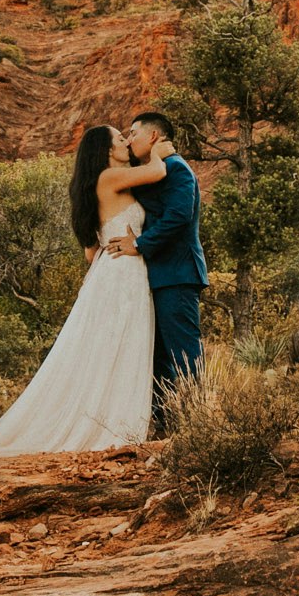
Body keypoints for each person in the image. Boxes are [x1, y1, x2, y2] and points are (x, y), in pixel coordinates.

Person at [0, 124, 167, 458]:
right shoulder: (109, 177)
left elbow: (90, 252)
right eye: (120, 139)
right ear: (107, 150)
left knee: (112, 346)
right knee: (123, 343)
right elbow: (157, 171)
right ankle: (117, 426)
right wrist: (158, 149)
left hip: (112, 270)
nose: (125, 142)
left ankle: (108, 420)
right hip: (122, 273)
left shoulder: (97, 184)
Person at [102, 110, 208, 427]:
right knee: (158, 356)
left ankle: (198, 422)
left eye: (133, 133)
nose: (129, 138)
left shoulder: (178, 170)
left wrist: (141, 244)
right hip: (155, 277)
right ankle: (161, 422)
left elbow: (178, 216)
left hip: (177, 275)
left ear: (153, 136)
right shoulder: (156, 171)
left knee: (184, 352)